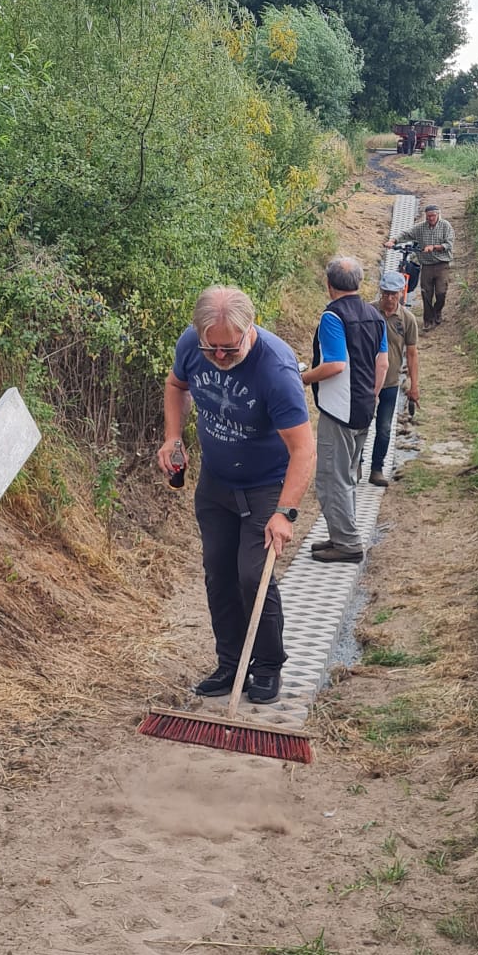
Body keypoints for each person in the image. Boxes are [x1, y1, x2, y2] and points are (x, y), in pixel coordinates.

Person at [159, 285, 315, 707]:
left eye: (230, 349)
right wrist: (173, 437)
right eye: (212, 348)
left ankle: (267, 665)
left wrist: (285, 513)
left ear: (250, 329)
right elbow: (176, 384)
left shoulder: (276, 370)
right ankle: (231, 664)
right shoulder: (193, 344)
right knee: (219, 572)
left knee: (252, 574)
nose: (220, 356)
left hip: (266, 484)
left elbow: (304, 449)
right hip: (217, 481)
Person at [299, 255, 387, 562]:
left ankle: (348, 544)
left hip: (339, 410)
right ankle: (340, 535)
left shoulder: (332, 317)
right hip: (364, 407)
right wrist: (372, 396)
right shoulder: (375, 316)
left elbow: (335, 364)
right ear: (359, 283)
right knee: (347, 475)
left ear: (328, 284)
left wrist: (302, 379)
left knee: (331, 478)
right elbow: (383, 364)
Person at [369, 266, 420, 486]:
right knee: (359, 426)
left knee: (384, 428)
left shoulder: (407, 320)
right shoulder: (368, 312)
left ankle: (376, 468)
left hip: (390, 383)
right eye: (386, 294)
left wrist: (414, 385)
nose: (389, 299)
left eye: (394, 294)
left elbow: (412, 353)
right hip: (365, 381)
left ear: (401, 293)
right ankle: (355, 464)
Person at [404, 198, 454, 327]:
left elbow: (449, 244)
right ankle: (427, 319)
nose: (430, 218)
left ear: (438, 215)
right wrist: (393, 240)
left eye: (433, 216)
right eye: (428, 216)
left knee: (441, 292)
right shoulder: (420, 228)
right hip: (426, 265)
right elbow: (407, 234)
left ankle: (437, 312)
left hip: (442, 264)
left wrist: (434, 247)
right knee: (426, 293)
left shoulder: (446, 226)